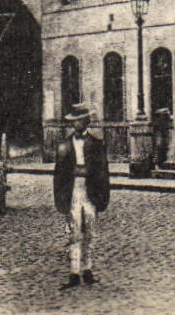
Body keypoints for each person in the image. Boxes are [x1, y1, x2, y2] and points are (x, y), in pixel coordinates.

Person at [52, 104, 110, 289]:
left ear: (87, 121)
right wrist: (61, 200)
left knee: (90, 232)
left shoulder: (97, 144)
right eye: (74, 121)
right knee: (75, 232)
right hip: (73, 191)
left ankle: (88, 269)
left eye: (80, 120)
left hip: (90, 190)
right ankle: (74, 272)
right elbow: (59, 175)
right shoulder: (64, 146)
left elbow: (103, 173)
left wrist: (102, 198)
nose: (77, 124)